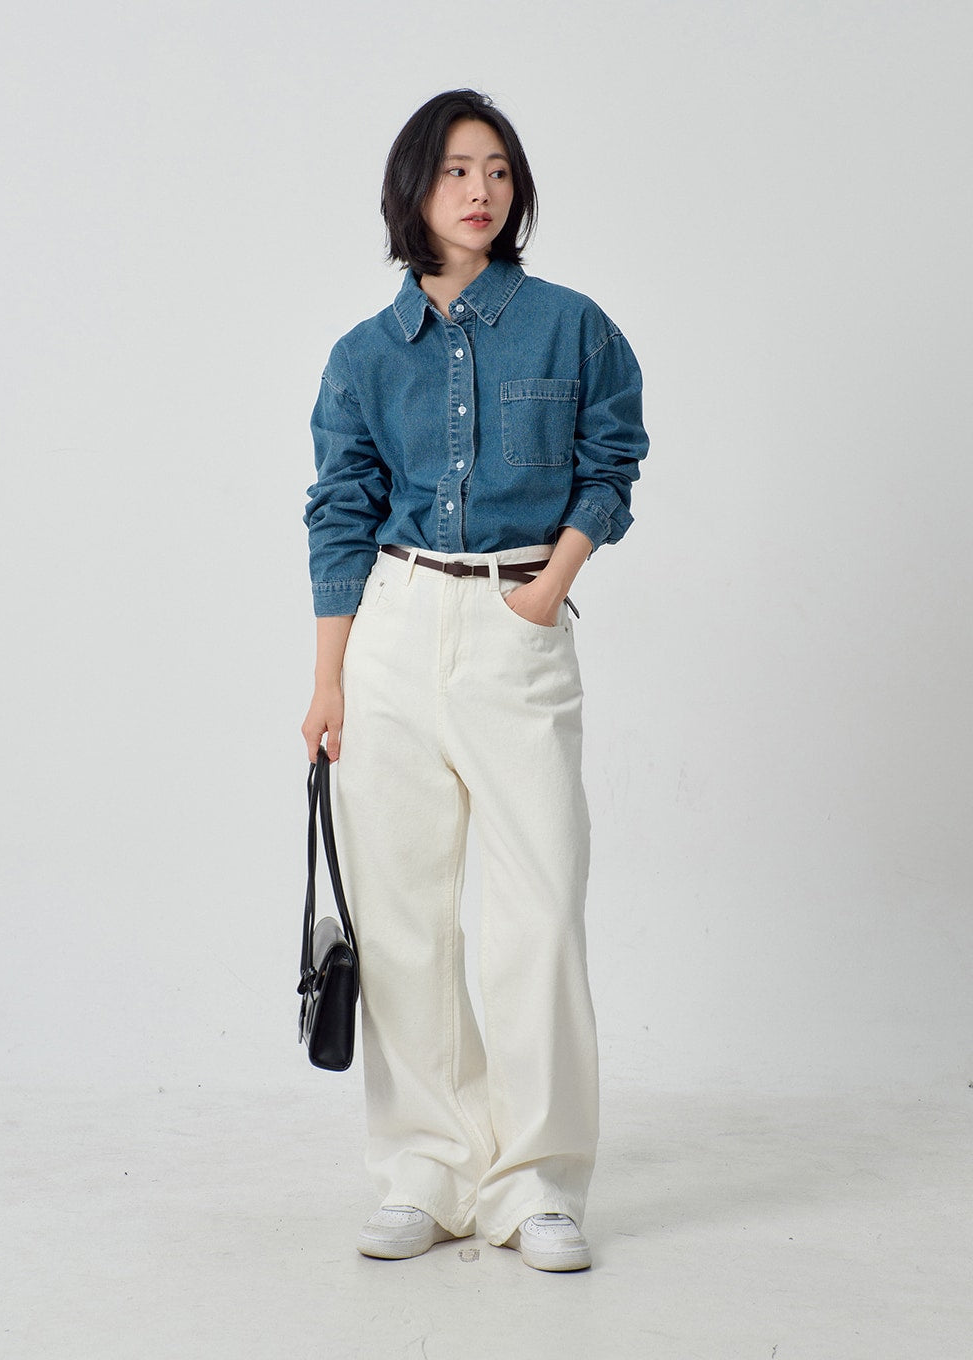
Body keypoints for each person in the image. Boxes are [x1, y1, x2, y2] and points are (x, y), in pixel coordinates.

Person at [301, 88, 649, 1272]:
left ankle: (538, 1183)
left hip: (515, 623)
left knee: (538, 909)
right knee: (402, 917)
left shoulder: (571, 326)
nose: (480, 189)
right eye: (456, 169)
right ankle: (426, 1170)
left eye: (497, 169)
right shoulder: (363, 355)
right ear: (414, 189)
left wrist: (550, 586)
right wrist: (329, 681)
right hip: (393, 628)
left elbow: (612, 459)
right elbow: (339, 512)